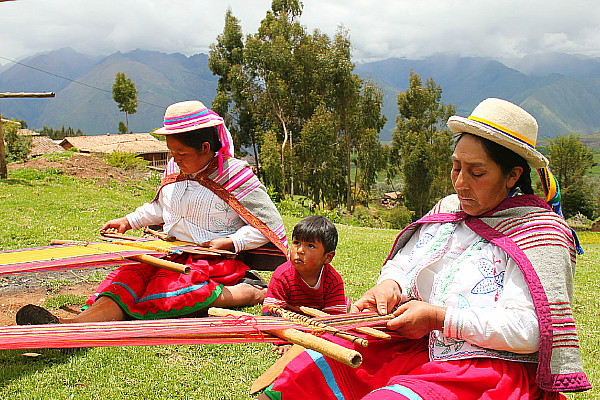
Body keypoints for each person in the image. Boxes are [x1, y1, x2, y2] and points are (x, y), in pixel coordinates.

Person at [258, 98, 591, 400]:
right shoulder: (449, 208)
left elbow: (532, 332)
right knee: (307, 370)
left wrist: (439, 318)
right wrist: (390, 286)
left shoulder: (540, 234)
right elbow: (406, 262)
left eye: (477, 172)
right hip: (414, 343)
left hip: (485, 367)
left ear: (512, 175)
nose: (460, 182)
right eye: (457, 167)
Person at [17, 100, 287, 325]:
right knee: (129, 276)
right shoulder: (174, 168)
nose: (175, 159)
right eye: (172, 152)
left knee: (169, 288)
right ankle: (71, 326)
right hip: (167, 252)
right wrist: (128, 221)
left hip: (212, 262)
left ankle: (249, 292)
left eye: (181, 153)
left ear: (205, 148)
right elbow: (160, 208)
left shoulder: (235, 174)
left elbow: (267, 226)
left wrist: (230, 242)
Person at [262, 215, 348, 316]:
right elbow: (270, 311)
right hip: (289, 322)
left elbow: (334, 319)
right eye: (296, 243)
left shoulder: (333, 280)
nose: (300, 250)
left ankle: (345, 302)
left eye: (310, 246)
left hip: (317, 325)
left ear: (328, 257)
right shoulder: (282, 276)